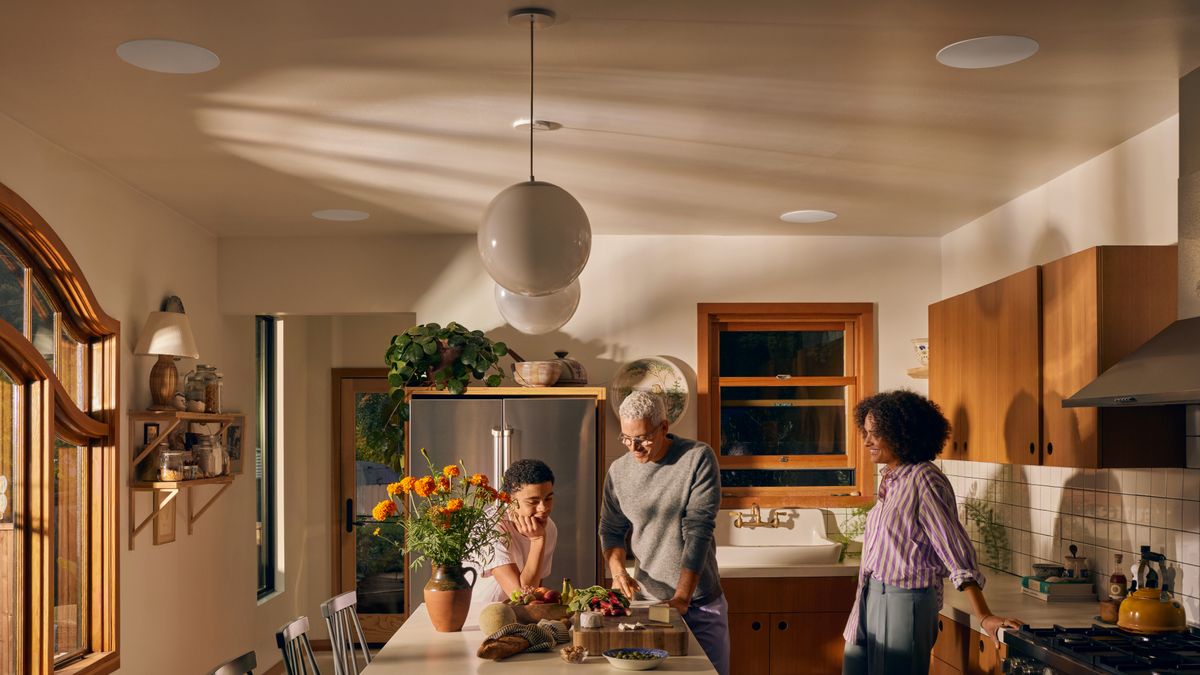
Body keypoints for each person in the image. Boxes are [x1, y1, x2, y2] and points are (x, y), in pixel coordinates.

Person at [843, 390, 1023, 675]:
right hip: (869, 595)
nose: (867, 441)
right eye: (865, 432)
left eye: (875, 433)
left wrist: (984, 615)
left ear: (903, 433)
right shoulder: (891, 479)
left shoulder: (924, 479)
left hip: (905, 601)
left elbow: (955, 553)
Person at [599, 391, 729, 675]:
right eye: (626, 438)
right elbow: (611, 529)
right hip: (646, 604)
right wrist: (619, 572)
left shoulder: (697, 458)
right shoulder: (618, 471)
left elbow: (698, 530)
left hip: (698, 603)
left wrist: (682, 599)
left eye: (643, 438)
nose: (634, 448)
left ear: (664, 427)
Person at [473, 459, 558, 604]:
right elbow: (520, 596)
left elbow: (533, 592)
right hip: (479, 615)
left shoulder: (548, 527)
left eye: (548, 498)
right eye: (533, 502)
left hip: (518, 617)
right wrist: (537, 541)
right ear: (509, 501)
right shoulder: (490, 527)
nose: (543, 508)